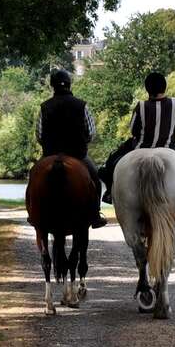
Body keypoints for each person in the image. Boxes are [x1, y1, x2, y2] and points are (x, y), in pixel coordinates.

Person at [99, 71, 175, 204]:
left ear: (147, 88)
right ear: (164, 87)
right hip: (169, 147)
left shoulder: (141, 106)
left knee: (110, 164)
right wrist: (171, 128)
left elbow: (133, 130)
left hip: (139, 148)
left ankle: (109, 192)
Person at [36, 68, 107, 228]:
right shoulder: (82, 105)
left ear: (52, 86)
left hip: (50, 154)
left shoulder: (45, 106)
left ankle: (34, 212)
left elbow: (39, 134)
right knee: (95, 178)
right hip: (78, 154)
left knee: (34, 175)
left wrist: (49, 146)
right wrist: (82, 142)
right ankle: (95, 215)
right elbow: (91, 132)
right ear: (69, 85)